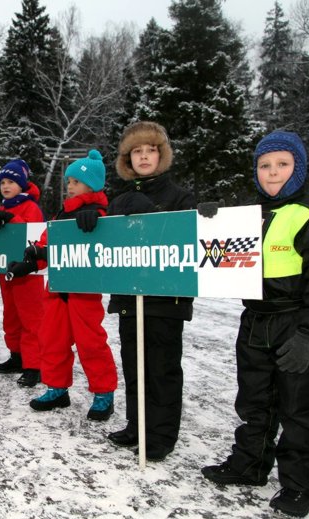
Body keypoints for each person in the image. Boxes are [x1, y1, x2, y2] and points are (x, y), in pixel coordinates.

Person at [201, 131, 309, 518]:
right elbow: (216, 256)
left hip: (298, 321)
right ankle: (250, 465)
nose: (272, 173)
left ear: (298, 167)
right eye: (264, 166)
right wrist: (209, 222)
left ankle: (300, 485)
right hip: (256, 319)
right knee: (254, 401)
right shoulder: (249, 213)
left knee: (301, 407)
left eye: (282, 165)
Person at [104, 121, 195, 462]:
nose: (144, 157)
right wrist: (90, 221)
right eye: (137, 152)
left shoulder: (179, 196)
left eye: (150, 150)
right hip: (130, 297)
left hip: (166, 299)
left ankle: (160, 435)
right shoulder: (120, 200)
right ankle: (136, 425)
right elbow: (105, 242)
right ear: (128, 159)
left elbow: (189, 235)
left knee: (162, 370)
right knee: (134, 365)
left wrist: (206, 218)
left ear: (162, 154)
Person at [6, 150, 117, 420]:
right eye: (68, 182)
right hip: (56, 289)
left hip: (84, 291)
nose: (69, 187)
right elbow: (47, 243)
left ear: (91, 184)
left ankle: (104, 393)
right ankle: (57, 388)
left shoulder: (101, 213)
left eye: (75, 182)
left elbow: (108, 246)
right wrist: (31, 261)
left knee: (90, 343)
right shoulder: (62, 214)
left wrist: (99, 220)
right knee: (51, 340)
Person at [0, 159, 46, 387]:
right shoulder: (3, 206)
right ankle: (17, 356)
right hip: (7, 271)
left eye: (11, 181)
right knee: (11, 316)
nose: (6, 186)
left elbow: (33, 235)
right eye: (2, 182)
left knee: (31, 318)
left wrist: (13, 220)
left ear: (22, 184)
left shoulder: (31, 206)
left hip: (27, 273)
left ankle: (35, 365)